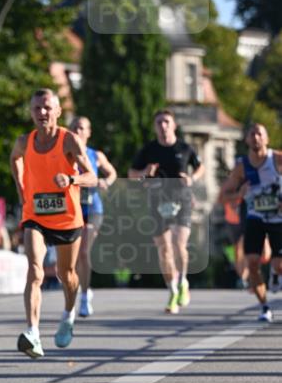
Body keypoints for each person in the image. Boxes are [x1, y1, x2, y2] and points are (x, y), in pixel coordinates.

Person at [10, 89, 97, 356]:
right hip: (35, 215)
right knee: (35, 270)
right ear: (31, 112)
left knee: (66, 275)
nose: (42, 113)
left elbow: (91, 177)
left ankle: (69, 314)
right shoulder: (25, 141)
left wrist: (72, 180)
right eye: (37, 108)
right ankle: (33, 333)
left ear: (58, 111)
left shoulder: (69, 140)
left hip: (67, 218)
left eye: (47, 107)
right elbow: (14, 159)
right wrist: (21, 187)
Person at [128, 108, 204, 314]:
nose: (163, 126)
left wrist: (192, 179)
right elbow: (132, 174)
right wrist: (145, 173)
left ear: (174, 125)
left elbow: (200, 167)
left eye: (166, 122)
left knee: (179, 244)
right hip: (158, 202)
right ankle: (172, 291)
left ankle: (183, 283)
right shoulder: (149, 150)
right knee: (164, 250)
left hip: (182, 200)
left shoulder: (185, 148)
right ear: (155, 127)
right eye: (159, 122)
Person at [219, 123, 282, 322]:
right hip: (255, 218)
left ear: (267, 139)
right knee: (253, 263)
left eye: (259, 134)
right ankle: (264, 306)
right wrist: (239, 193)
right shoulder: (242, 167)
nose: (255, 137)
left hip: (278, 219)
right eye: (252, 134)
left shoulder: (277, 159)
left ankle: (275, 272)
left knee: (279, 265)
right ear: (246, 140)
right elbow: (223, 196)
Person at [68, 116, 117, 317]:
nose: (78, 132)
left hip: (93, 209)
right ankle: (77, 290)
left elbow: (112, 173)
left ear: (88, 132)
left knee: (84, 252)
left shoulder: (95, 155)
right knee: (71, 255)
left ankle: (85, 296)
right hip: (71, 208)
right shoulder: (66, 153)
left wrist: (106, 182)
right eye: (75, 128)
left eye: (82, 128)